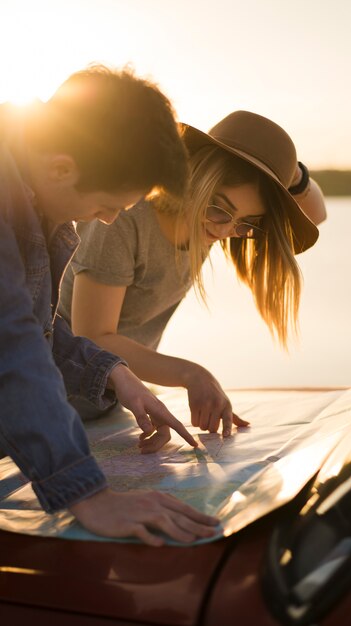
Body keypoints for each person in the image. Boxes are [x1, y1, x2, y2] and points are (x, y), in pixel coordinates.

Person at [0, 65, 219, 546]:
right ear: (61, 167)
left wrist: (114, 373)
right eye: (107, 205)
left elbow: (31, 328)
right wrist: (88, 494)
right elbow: (9, 346)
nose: (108, 219)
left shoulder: (35, 198)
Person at [59, 110, 327, 453]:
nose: (223, 230)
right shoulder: (124, 217)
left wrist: (289, 175)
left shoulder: (211, 226)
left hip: (109, 406)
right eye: (220, 208)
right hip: (45, 400)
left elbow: (314, 215)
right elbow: (93, 337)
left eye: (245, 223)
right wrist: (191, 375)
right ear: (194, 178)